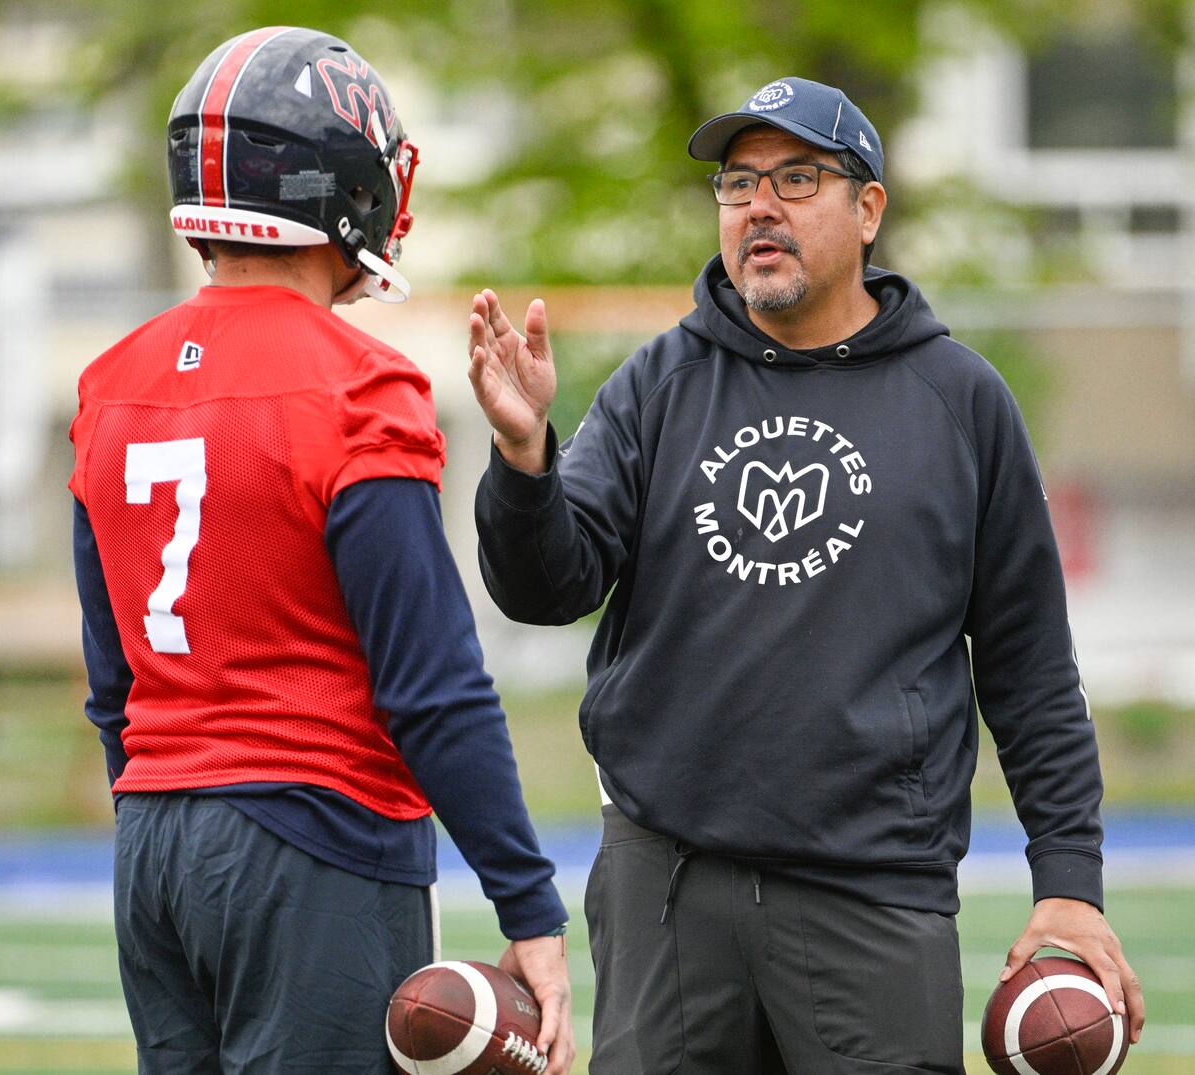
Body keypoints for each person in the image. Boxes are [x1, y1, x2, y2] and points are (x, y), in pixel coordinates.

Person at [466, 75, 1144, 1073]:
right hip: (667, 884)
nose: (759, 207)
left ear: (868, 208)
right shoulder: (656, 384)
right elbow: (545, 589)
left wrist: (1070, 879)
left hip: (871, 890)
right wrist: (525, 462)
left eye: (796, 178)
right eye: (738, 184)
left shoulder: (960, 400)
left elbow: (1030, 665)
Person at [69, 27, 574, 1075]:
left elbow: (114, 686)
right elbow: (431, 684)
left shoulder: (109, 385)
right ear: (338, 183)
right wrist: (527, 901)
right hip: (314, 842)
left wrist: (168, 815)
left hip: (152, 840)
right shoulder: (358, 386)